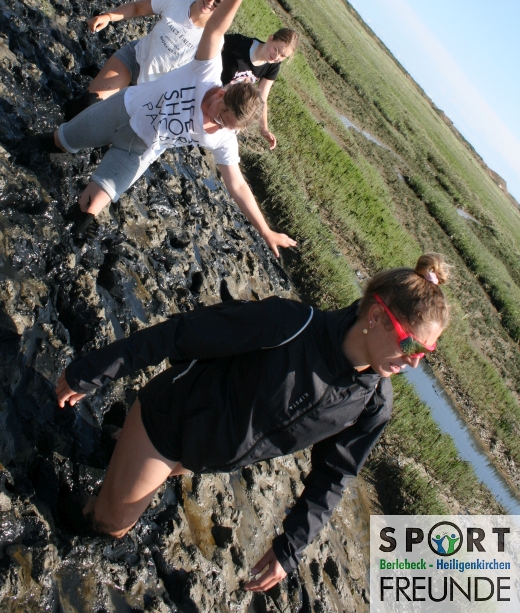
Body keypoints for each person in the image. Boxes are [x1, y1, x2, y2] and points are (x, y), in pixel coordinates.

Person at [55, 253, 450, 591]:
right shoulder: (290, 324)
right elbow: (183, 334)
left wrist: (289, 549)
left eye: (426, 352)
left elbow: (334, 475)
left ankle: (117, 442)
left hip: (202, 454)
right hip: (170, 422)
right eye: (410, 344)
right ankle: (65, 486)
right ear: (378, 315)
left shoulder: (373, 404)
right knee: (108, 526)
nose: (414, 362)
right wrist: (92, 371)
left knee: (133, 477)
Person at [32, 0, 295, 255]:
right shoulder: (205, 73)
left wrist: (266, 230)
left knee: (89, 207)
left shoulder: (224, 137)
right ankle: (21, 146)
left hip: (139, 150)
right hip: (121, 110)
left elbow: (238, 186)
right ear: (223, 94)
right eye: (221, 116)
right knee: (60, 141)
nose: (217, 124)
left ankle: (53, 250)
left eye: (226, 126)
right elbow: (215, 31)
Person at [64, 0, 233, 119]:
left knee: (112, 128)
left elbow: (207, 80)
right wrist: (108, 17)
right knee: (85, 107)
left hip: (155, 90)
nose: (210, 2)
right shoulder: (176, 1)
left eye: (218, 3)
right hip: (134, 60)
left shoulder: (214, 40)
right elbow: (137, 8)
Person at [220, 29, 298, 149]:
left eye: (283, 56)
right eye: (276, 49)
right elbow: (209, 42)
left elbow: (262, 97)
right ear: (270, 39)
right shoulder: (239, 43)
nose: (276, 57)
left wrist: (264, 129)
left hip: (227, 105)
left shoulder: (273, 67)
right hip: (208, 90)